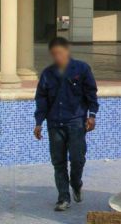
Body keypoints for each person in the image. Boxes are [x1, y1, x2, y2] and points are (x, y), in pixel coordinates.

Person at [34, 37, 99, 211]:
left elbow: (91, 93)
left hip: (76, 122)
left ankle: (76, 183)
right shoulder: (47, 74)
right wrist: (38, 122)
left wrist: (92, 115)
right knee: (59, 162)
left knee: (78, 158)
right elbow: (41, 99)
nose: (58, 57)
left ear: (67, 51)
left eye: (60, 53)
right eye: (54, 54)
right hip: (55, 123)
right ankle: (63, 198)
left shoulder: (82, 69)